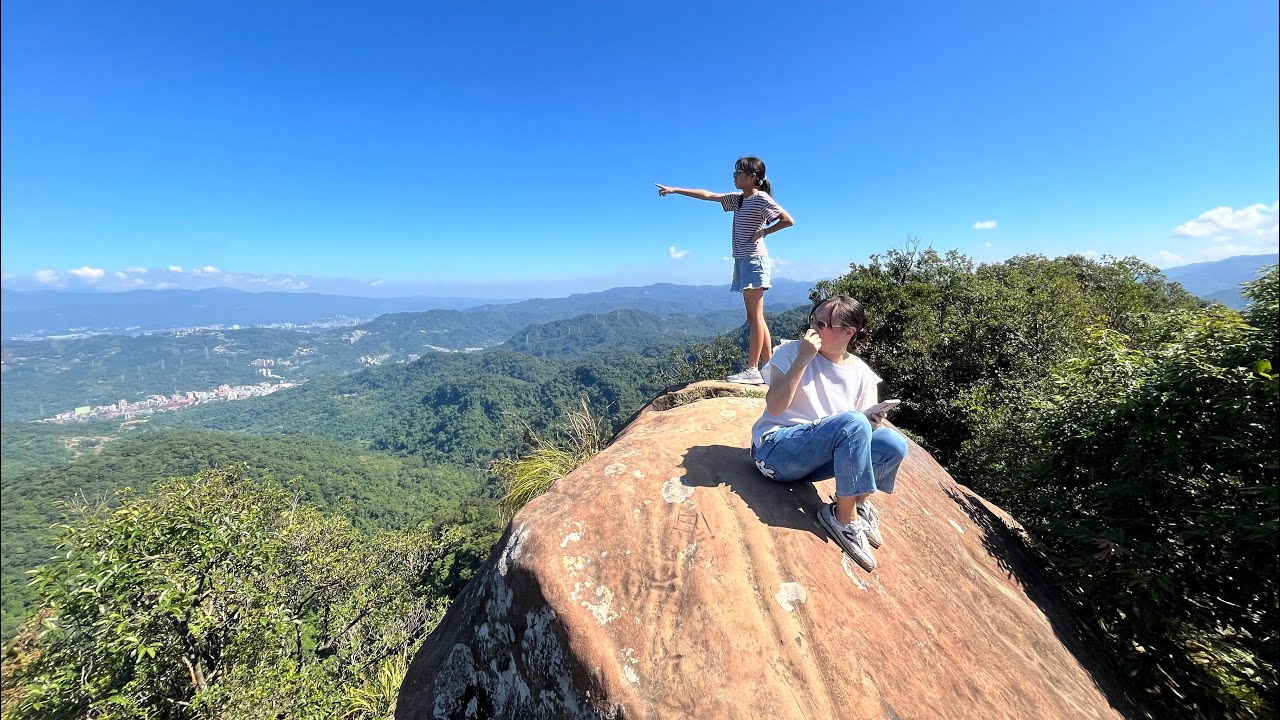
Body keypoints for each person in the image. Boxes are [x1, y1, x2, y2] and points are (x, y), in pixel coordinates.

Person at [748, 295, 909, 571]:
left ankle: (857, 503)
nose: (812, 329)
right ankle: (842, 519)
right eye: (813, 319)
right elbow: (774, 408)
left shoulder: (861, 373)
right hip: (775, 451)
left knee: (893, 443)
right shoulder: (791, 351)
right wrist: (803, 359)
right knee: (853, 422)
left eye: (822, 324)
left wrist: (873, 421)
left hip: (815, 460)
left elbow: (858, 436)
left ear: (849, 332)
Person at [655, 156, 794, 384]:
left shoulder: (760, 199)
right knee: (757, 317)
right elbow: (708, 195)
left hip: (754, 260)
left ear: (752, 177)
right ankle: (769, 368)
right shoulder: (739, 200)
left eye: (738, 173)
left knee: (754, 317)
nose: (734, 177)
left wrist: (765, 233)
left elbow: (788, 220)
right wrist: (674, 190)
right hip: (742, 260)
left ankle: (753, 370)